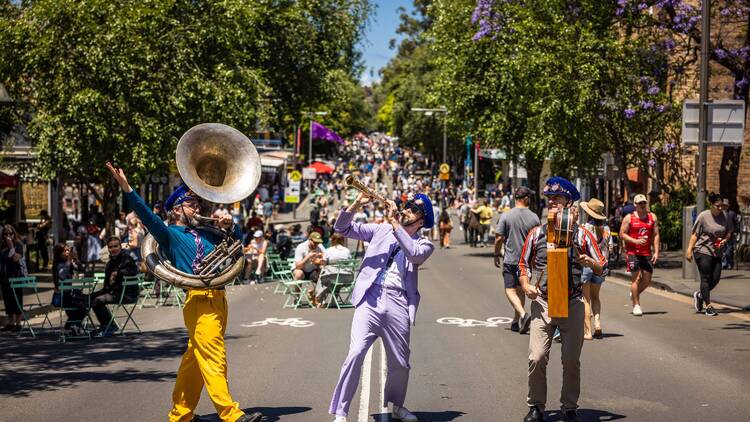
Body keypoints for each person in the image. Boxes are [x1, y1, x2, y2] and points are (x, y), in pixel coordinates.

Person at [106, 162, 260, 422]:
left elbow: (237, 249)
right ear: (177, 210)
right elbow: (148, 217)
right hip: (199, 299)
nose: (197, 207)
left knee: (194, 360)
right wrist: (128, 189)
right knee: (213, 356)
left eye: (196, 204)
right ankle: (231, 415)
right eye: (191, 204)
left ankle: (181, 415)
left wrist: (231, 227)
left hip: (219, 298)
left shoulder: (208, 233)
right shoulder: (171, 235)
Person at [329, 192, 435, 422]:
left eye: (412, 210)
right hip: (370, 297)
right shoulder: (381, 229)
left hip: (398, 300)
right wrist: (356, 203)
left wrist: (396, 223)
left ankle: (396, 406)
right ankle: (340, 412)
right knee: (356, 352)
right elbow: (342, 228)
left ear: (421, 221)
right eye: (406, 206)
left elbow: (415, 256)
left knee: (400, 362)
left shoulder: (423, 243)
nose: (406, 210)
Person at [519, 177, 606, 422]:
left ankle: (569, 407)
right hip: (543, 303)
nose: (552, 203)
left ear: (569, 203)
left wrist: (591, 263)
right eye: (550, 199)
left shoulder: (582, 235)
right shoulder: (536, 233)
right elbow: (523, 264)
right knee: (536, 357)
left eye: (557, 199)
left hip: (573, 303)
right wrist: (526, 285)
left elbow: (602, 266)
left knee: (571, 361)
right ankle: (536, 406)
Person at [493, 186, 539, 334]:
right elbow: (538, 240)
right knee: (520, 291)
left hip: (511, 259)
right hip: (526, 262)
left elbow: (499, 237)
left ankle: (523, 315)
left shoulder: (506, 216)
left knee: (510, 290)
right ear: (525, 199)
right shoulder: (534, 217)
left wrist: (495, 254)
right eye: (529, 197)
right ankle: (516, 320)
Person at [686, 193, 731, 316]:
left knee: (715, 278)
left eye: (722, 206)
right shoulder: (703, 216)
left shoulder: (725, 216)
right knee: (705, 277)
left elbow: (729, 231)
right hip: (702, 250)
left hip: (717, 252)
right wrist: (689, 249)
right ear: (711, 205)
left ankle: (700, 295)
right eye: (718, 206)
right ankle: (708, 306)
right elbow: (695, 234)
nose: (720, 208)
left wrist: (725, 240)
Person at [88, 236, 139, 335]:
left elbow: (134, 271)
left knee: (98, 300)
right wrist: (93, 294)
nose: (113, 249)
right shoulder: (110, 263)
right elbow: (106, 286)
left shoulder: (127, 259)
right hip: (113, 292)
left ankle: (110, 326)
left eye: (116, 246)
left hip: (128, 294)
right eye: (111, 247)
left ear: (120, 247)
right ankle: (75, 327)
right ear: (108, 249)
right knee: (90, 298)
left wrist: (118, 273)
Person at [619, 194, 659, 316]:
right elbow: (622, 234)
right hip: (633, 253)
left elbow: (656, 234)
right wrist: (635, 241)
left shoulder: (652, 217)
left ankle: (634, 293)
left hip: (646, 253)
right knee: (636, 278)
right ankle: (636, 305)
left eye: (644, 203)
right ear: (635, 205)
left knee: (647, 279)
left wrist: (656, 251)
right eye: (639, 203)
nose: (642, 205)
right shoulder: (629, 218)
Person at [579, 198, 611, 340]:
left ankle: (588, 331)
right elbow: (609, 248)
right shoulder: (607, 229)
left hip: (587, 265)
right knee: (596, 297)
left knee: (586, 299)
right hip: (601, 265)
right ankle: (598, 323)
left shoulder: (584, 228)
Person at [52, 242, 87, 334]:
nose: (67, 252)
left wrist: (76, 261)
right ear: (59, 253)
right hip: (63, 295)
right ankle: (73, 326)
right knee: (83, 306)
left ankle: (71, 327)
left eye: (68, 250)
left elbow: (81, 271)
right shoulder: (59, 265)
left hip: (71, 294)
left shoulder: (70, 263)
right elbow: (63, 279)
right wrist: (70, 263)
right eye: (65, 251)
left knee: (83, 306)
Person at [314, 233, 353, 307]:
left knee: (324, 275)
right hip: (347, 277)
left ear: (332, 240)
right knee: (336, 279)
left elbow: (324, 263)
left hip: (333, 276)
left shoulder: (329, 250)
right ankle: (333, 301)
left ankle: (319, 299)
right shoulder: (347, 250)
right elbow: (350, 262)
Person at [0, 225, 25, 332]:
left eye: (10, 233)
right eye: (6, 234)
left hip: (16, 276)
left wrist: (11, 246)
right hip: (5, 277)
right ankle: (11, 323)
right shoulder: (1, 246)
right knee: (8, 299)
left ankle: (18, 323)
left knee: (17, 299)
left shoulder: (18, 244)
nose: (8, 235)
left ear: (14, 234)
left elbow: (16, 258)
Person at [721, 199, 738, 270]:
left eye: (726, 205)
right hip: (722, 234)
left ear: (728, 206)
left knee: (729, 250)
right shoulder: (720, 213)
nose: (725, 207)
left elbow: (736, 223)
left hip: (731, 234)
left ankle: (729, 263)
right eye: (723, 205)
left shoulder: (732, 213)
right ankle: (725, 264)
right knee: (723, 250)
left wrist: (736, 231)